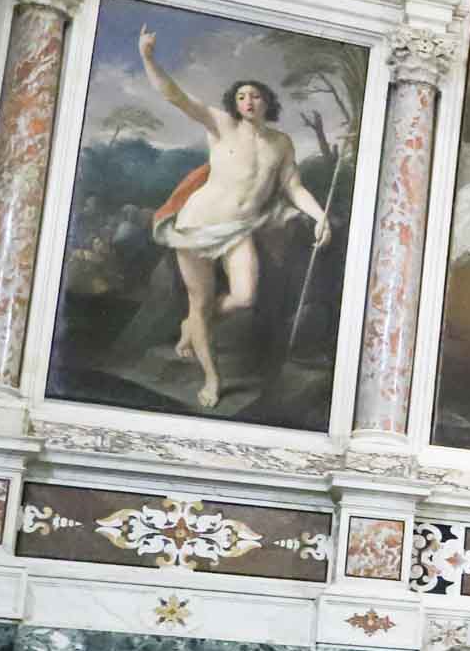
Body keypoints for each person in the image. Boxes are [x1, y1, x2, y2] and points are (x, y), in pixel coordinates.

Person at [138, 27, 333, 411]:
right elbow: (174, 96)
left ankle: (192, 326)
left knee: (244, 297)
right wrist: (147, 57)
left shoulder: (281, 143)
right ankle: (212, 377)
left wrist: (319, 215)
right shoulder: (221, 125)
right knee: (201, 299)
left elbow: (293, 186)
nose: (248, 101)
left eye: (255, 95)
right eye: (241, 96)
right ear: (235, 102)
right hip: (196, 226)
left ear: (266, 103)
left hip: (240, 229)